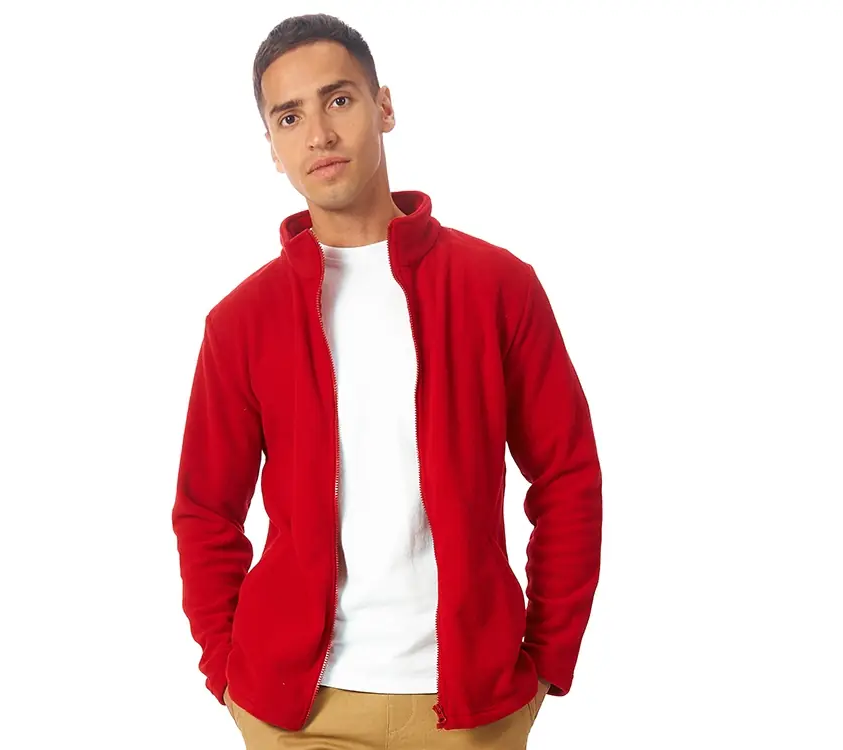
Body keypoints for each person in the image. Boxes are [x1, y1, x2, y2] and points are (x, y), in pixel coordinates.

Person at [172, 13, 602, 749]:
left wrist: (546, 660)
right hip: (298, 713)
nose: (319, 134)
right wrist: (229, 673)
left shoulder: (497, 287)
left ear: (385, 107)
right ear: (272, 146)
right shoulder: (241, 321)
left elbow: (567, 476)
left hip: (470, 707)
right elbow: (206, 511)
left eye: (338, 100)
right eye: (289, 116)